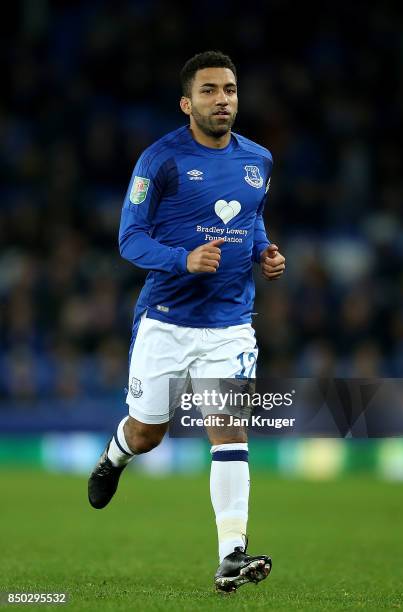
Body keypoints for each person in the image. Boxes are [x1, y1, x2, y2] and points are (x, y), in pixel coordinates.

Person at [88, 50, 285, 593]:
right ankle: (114, 455)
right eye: (210, 91)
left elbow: (251, 216)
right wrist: (183, 259)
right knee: (149, 432)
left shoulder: (260, 160)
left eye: (230, 90)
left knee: (229, 429)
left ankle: (231, 554)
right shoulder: (160, 160)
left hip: (230, 322)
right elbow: (129, 238)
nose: (223, 100)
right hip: (167, 319)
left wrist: (265, 252)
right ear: (186, 103)